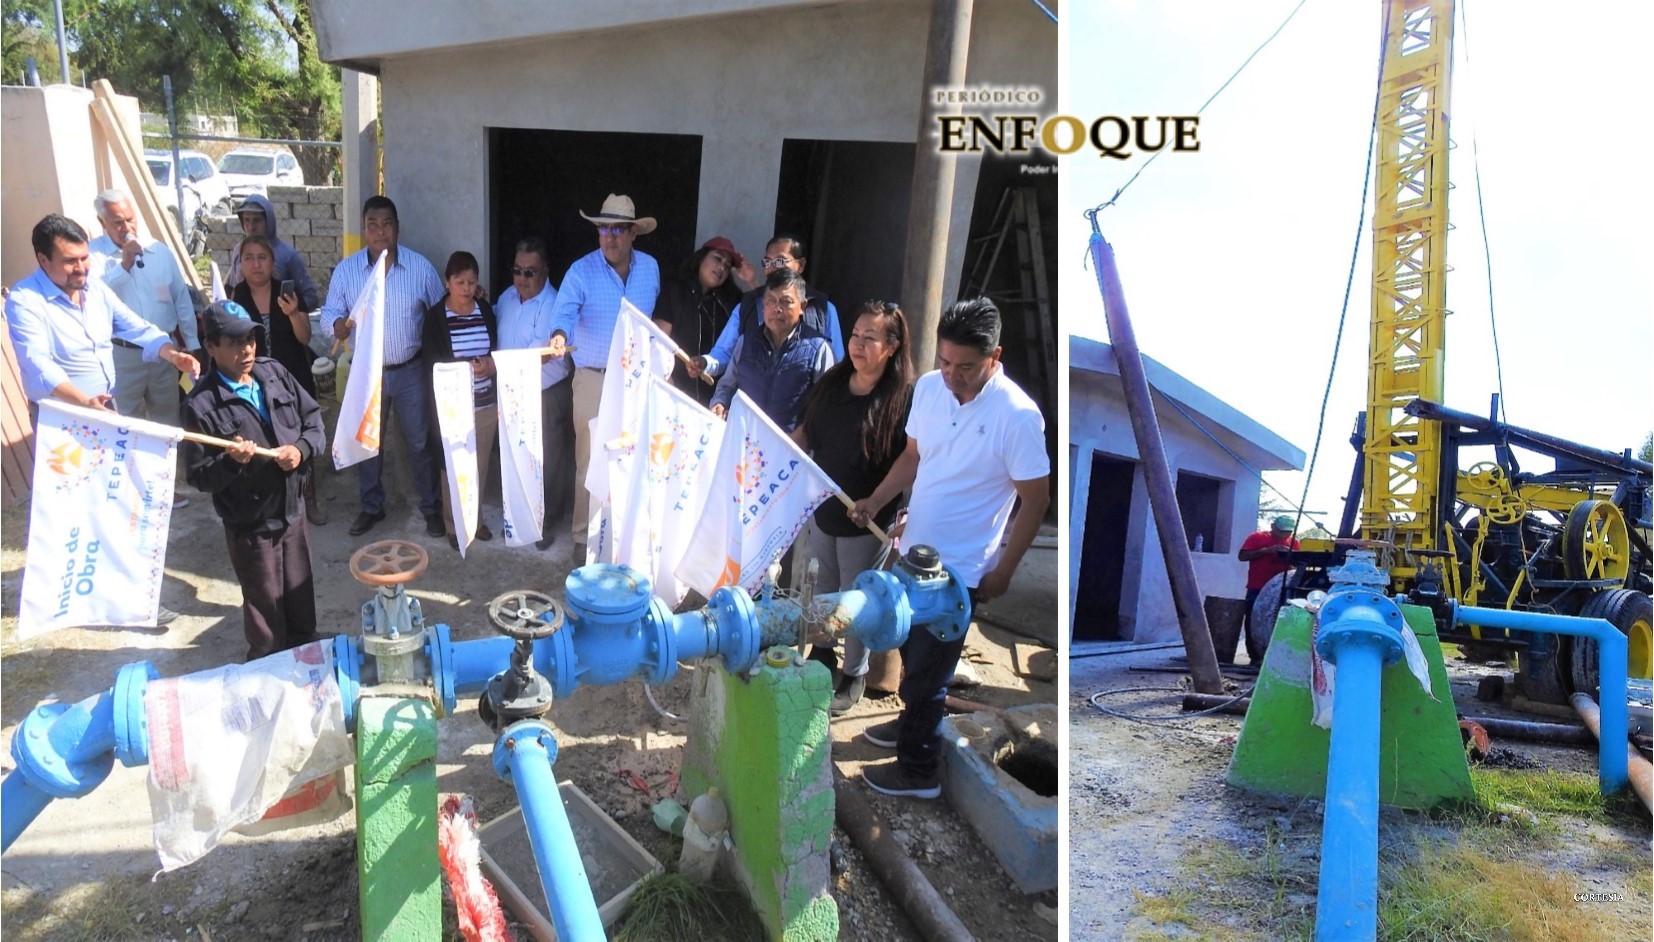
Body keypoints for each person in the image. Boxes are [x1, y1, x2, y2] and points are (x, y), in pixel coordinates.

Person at [848, 297, 1050, 799]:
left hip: (960, 573)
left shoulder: (1018, 416)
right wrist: (878, 500)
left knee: (932, 672)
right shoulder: (929, 390)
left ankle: (919, 771)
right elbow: (915, 458)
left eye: (966, 367)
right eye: (944, 361)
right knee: (910, 653)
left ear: (994, 357)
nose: (952, 375)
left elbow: (1036, 500)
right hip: (914, 554)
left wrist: (1004, 568)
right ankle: (914, 723)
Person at [7, 214, 203, 625]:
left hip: (105, 416)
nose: (81, 268)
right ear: (43, 260)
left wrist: (172, 353)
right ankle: (77, 598)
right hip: (66, 425)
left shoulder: (94, 288)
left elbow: (135, 326)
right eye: (69, 262)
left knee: (118, 510)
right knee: (78, 517)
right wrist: (84, 401)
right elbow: (38, 367)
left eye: (84, 258)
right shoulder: (26, 300)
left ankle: (131, 601)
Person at [181, 300, 326, 660]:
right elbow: (199, 476)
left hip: (292, 512)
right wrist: (231, 462)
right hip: (251, 524)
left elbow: (314, 421)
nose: (245, 350)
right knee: (266, 610)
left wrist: (302, 449)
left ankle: (307, 660)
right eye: (233, 342)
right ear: (211, 347)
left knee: (299, 596)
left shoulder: (274, 373)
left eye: (249, 339)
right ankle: (268, 669)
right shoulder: (201, 405)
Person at [792, 300, 913, 714]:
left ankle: (855, 671)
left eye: (870, 338)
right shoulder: (832, 383)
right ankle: (823, 655)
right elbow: (807, 431)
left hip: (868, 520)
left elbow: (909, 460)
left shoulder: (902, 400)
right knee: (823, 590)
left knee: (858, 599)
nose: (858, 345)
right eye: (855, 336)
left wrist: (876, 501)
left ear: (893, 346)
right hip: (823, 512)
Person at [322, 195, 447, 538]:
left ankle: (431, 508)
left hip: (409, 371)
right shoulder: (348, 271)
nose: (380, 233)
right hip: (367, 373)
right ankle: (371, 506)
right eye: (373, 226)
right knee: (368, 443)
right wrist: (336, 326)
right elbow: (330, 313)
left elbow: (440, 315)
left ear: (397, 228)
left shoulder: (419, 268)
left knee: (420, 442)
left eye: (387, 224)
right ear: (364, 229)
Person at [546, 193, 661, 562]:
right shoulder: (581, 271)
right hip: (594, 379)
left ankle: (622, 538)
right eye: (603, 229)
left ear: (633, 234)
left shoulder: (650, 269)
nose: (609, 237)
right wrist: (560, 335)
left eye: (618, 229)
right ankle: (583, 537)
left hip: (636, 379)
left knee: (631, 458)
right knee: (590, 460)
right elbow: (563, 311)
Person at [232, 234, 326, 525]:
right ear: (241, 263)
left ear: (272, 262)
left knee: (299, 436)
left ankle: (308, 501)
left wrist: (293, 313)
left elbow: (305, 337)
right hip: (252, 379)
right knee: (262, 436)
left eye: (262, 258)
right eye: (249, 258)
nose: (256, 264)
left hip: (292, 377)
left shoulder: (287, 292)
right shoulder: (237, 295)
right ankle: (273, 501)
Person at [494, 237, 571, 551]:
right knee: (514, 458)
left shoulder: (555, 304)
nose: (522, 279)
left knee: (547, 461)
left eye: (530, 272)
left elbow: (535, 353)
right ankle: (519, 518)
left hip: (544, 394)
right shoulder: (507, 298)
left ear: (545, 272)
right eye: (517, 271)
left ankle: (546, 523)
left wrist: (494, 367)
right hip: (510, 393)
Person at [422, 251, 499, 549]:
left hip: (484, 402)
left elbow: (495, 348)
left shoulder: (485, 310)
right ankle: (454, 524)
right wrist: (464, 370)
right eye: (459, 281)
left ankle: (475, 520)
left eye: (471, 282)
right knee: (452, 466)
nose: (466, 288)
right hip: (453, 406)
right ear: (447, 282)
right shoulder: (436, 318)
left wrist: (486, 364)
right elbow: (431, 363)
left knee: (479, 467)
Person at [691, 234, 843, 379]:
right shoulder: (748, 305)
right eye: (767, 262)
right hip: (750, 401)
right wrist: (704, 363)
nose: (772, 268)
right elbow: (724, 353)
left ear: (801, 265)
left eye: (780, 262)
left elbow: (836, 366)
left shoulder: (824, 309)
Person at [709, 267, 834, 432]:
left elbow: (826, 408)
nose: (777, 308)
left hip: (789, 448)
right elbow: (727, 385)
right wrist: (720, 403)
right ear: (763, 307)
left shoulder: (819, 349)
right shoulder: (745, 341)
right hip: (744, 442)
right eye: (770, 301)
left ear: (802, 306)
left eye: (786, 301)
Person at [653, 236, 748, 406]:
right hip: (673, 391)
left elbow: (762, 304)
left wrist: (750, 280)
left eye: (727, 266)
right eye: (717, 258)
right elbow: (658, 342)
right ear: (701, 257)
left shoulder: (730, 302)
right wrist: (668, 387)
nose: (721, 268)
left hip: (712, 402)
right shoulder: (674, 291)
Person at [224, 194, 321, 313]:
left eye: (257, 220)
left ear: (269, 222)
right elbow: (230, 289)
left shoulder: (288, 255)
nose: (251, 227)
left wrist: (288, 314)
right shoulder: (239, 252)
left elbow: (311, 298)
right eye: (246, 220)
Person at [1238, 515, 1300, 663]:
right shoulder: (1257, 537)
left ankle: (1278, 656)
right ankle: (1255, 657)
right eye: (1281, 531)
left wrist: (1290, 556)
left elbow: (1297, 563)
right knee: (1254, 620)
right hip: (1257, 586)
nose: (1284, 535)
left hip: (1282, 588)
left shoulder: (1293, 543)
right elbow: (1242, 556)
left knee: (1279, 620)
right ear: (1273, 527)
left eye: (1288, 532)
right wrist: (1267, 550)